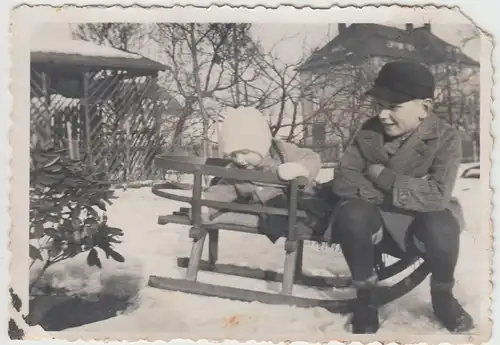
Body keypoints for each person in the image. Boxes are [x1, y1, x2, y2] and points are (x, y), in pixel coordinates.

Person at [327, 60, 474, 334]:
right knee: (352, 214)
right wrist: (405, 189)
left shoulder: (446, 138)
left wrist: (383, 177)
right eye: (379, 105)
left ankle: (443, 296)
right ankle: (365, 297)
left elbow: (437, 196)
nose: (382, 115)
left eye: (393, 107)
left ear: (425, 108)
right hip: (377, 217)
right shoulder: (369, 131)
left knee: (443, 225)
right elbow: (344, 179)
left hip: (421, 221)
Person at [197, 106, 327, 243]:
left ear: (261, 145)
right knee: (277, 215)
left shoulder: (281, 151)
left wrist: (299, 168)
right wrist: (205, 205)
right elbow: (222, 192)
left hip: (301, 201)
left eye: (245, 153)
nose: (240, 159)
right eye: (233, 155)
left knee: (310, 208)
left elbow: (312, 157)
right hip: (273, 213)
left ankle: (315, 223)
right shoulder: (236, 171)